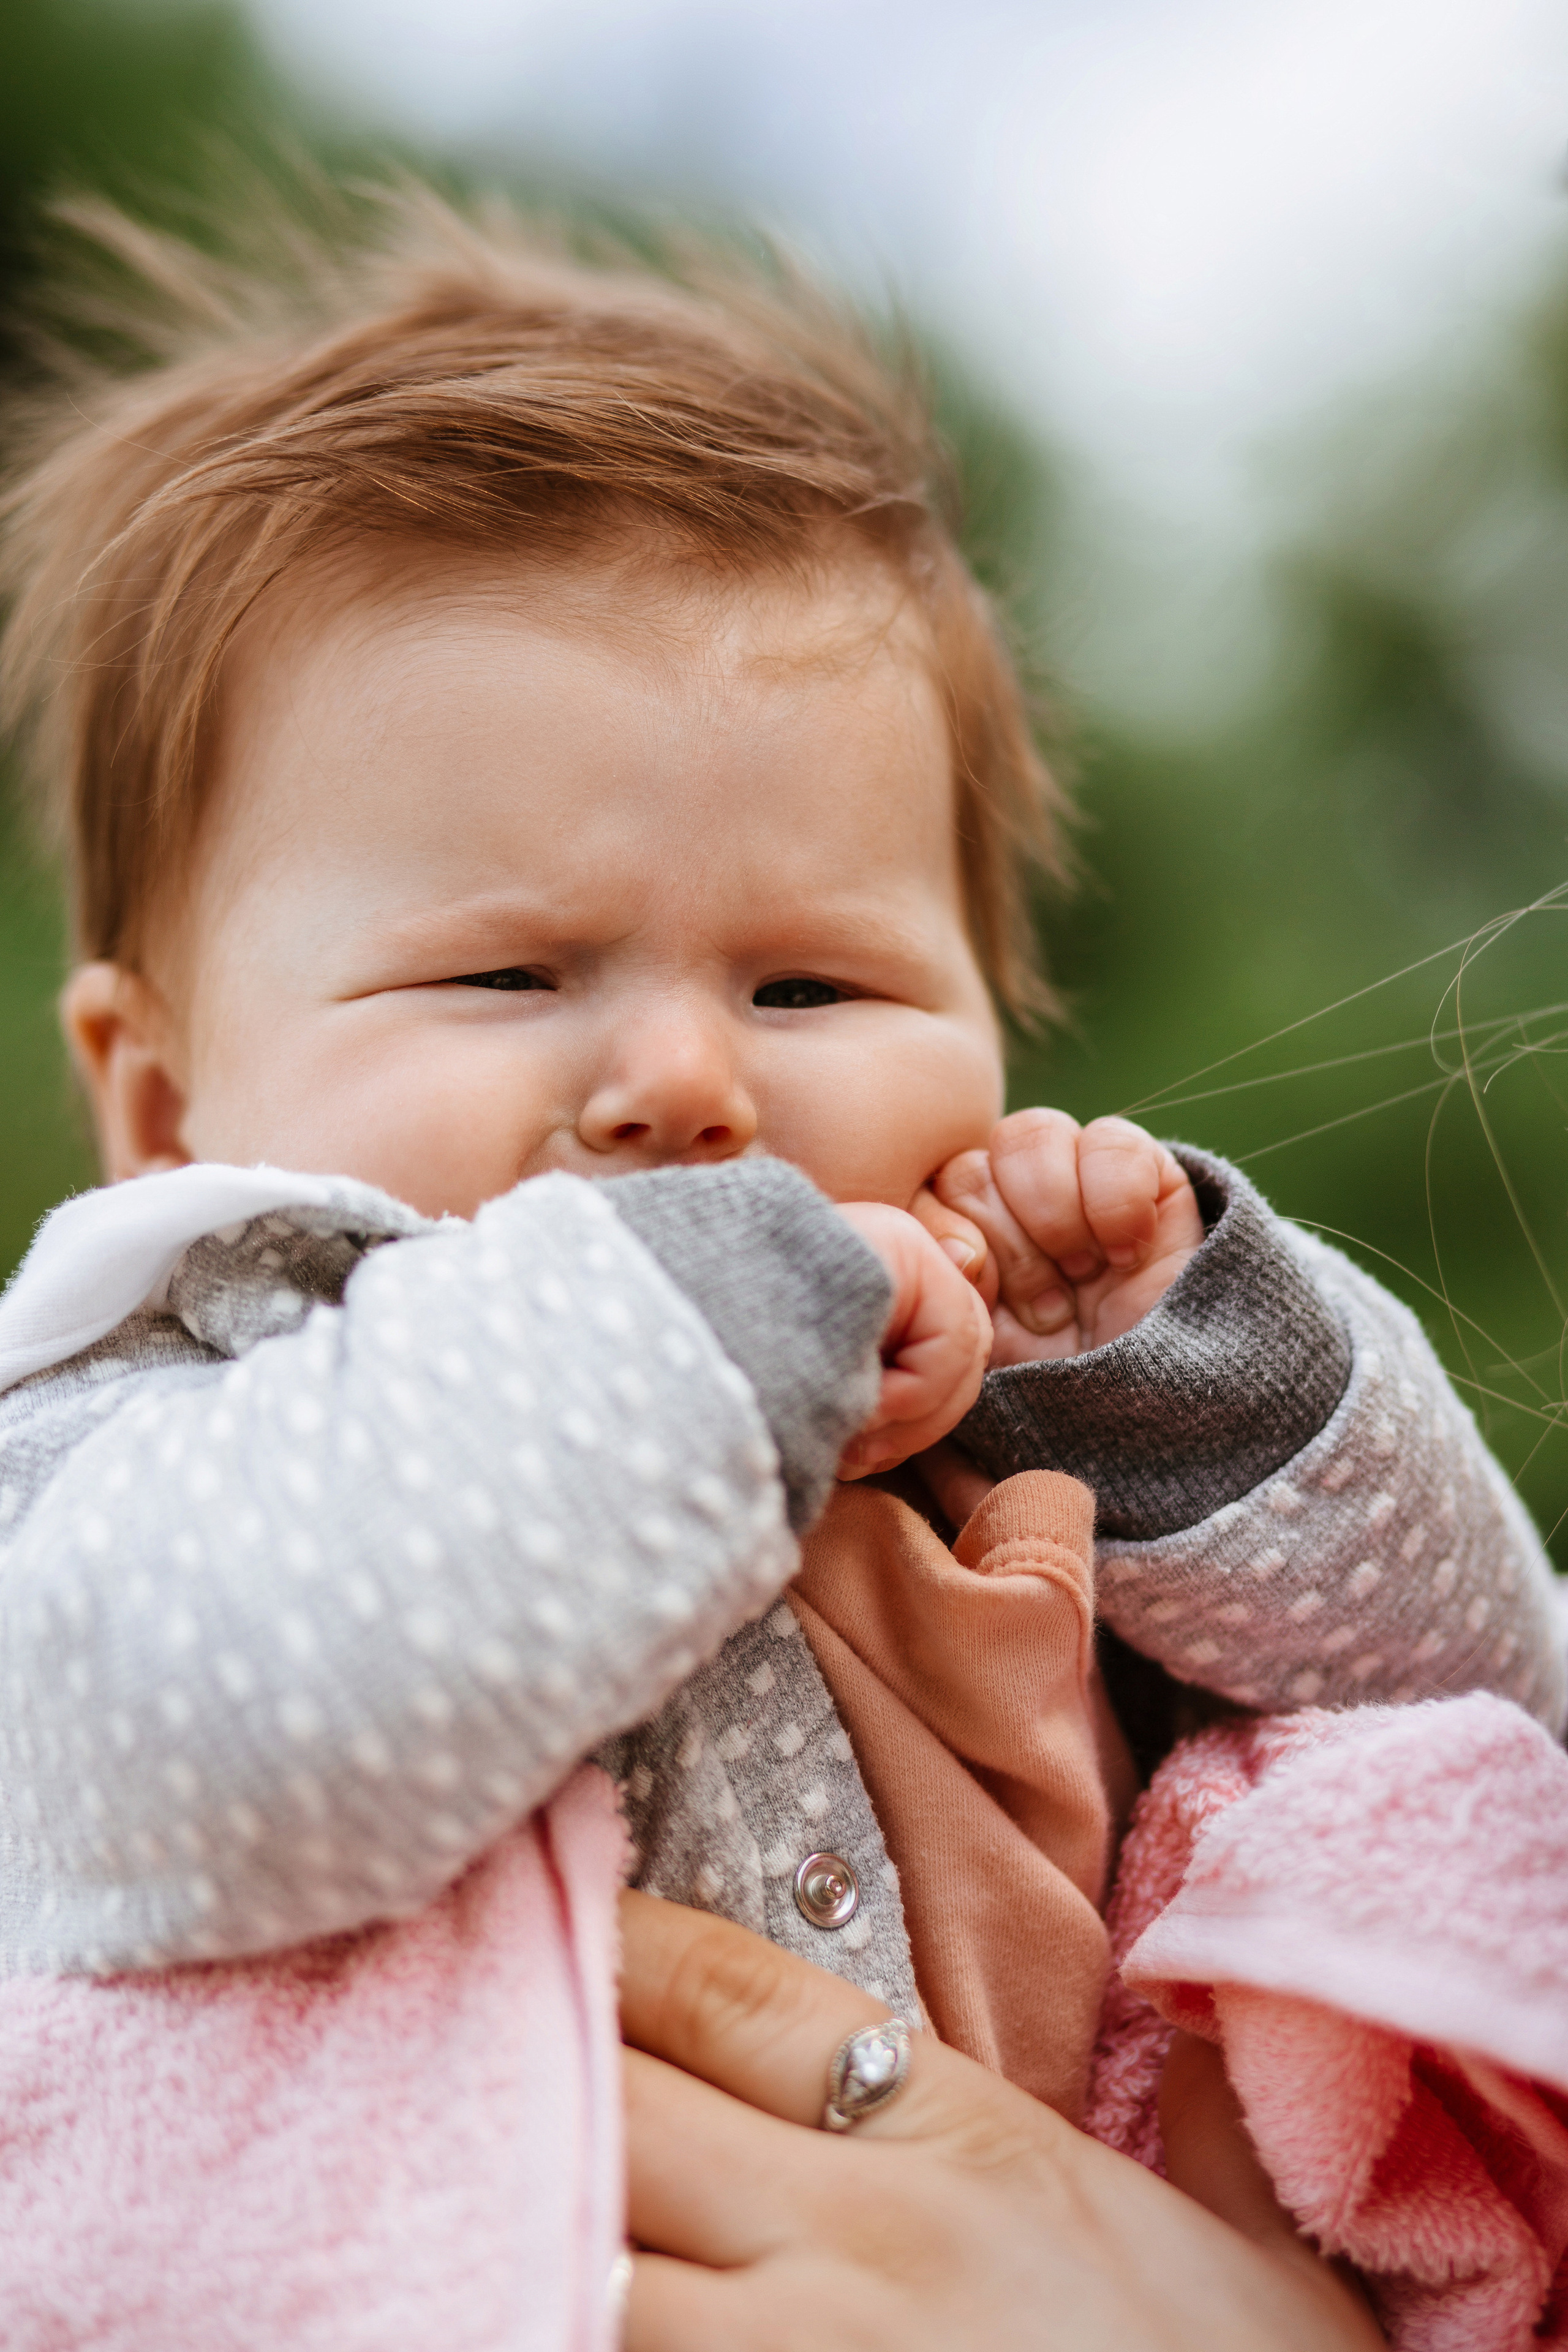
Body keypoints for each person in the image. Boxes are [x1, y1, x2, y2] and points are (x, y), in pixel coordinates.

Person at [0, 184, 1558, 2331]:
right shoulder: (145, 1430)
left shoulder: (984, 1428)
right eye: (508, 971)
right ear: (163, 1103)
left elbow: (1491, 1709)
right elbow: (175, 1730)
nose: (680, 1087)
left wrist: (1174, 1386)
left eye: (812, 989)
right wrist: (697, 1329)